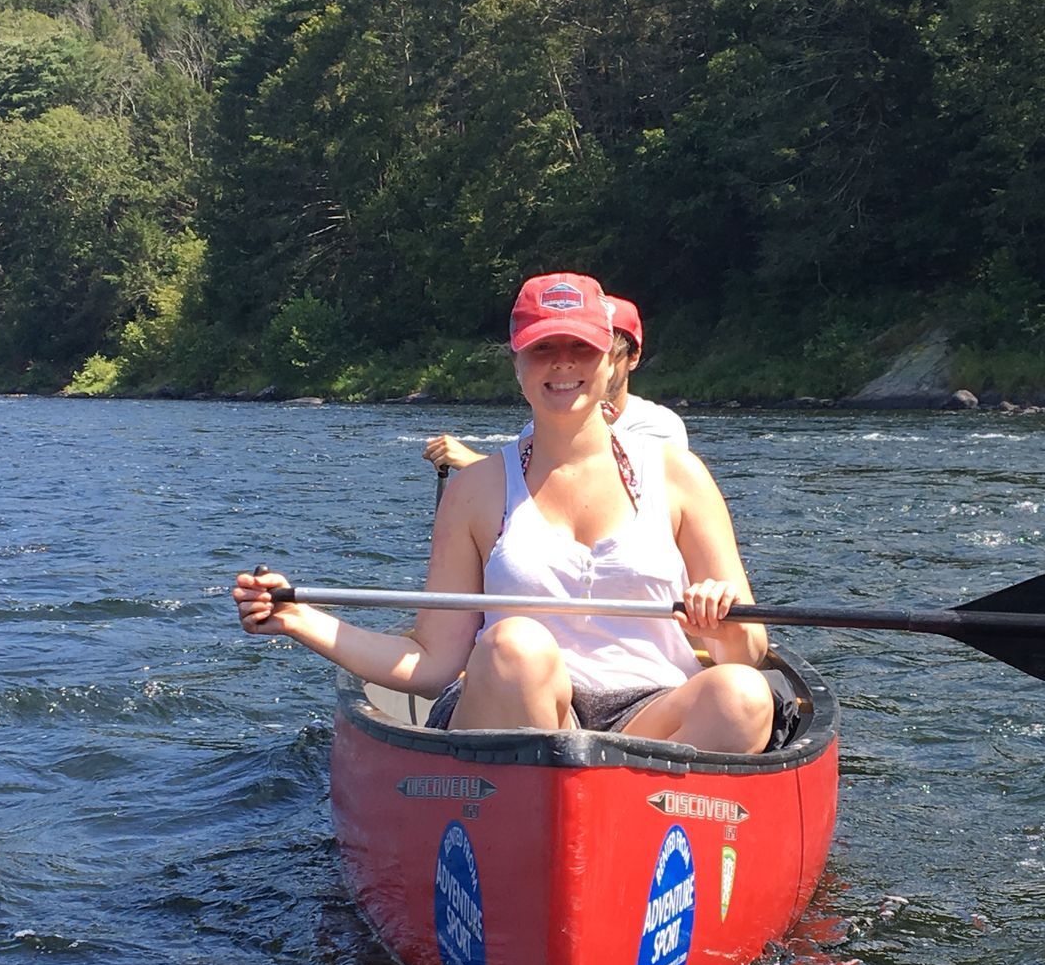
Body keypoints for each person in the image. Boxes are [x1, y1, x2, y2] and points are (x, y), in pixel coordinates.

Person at [235, 272, 773, 754]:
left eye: (580, 346)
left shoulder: (679, 474)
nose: (562, 363)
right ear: (516, 363)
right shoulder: (477, 489)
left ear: (610, 360)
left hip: (647, 718)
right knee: (519, 647)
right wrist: (298, 619)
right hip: (507, 712)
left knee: (743, 695)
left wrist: (722, 629)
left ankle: (622, 821)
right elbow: (433, 664)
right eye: (542, 348)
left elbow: (747, 653)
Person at [421, 294, 687, 473]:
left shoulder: (660, 427)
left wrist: (475, 466)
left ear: (633, 357)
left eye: (589, 349)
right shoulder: (531, 433)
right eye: (545, 348)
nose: (566, 364)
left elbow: (617, 488)